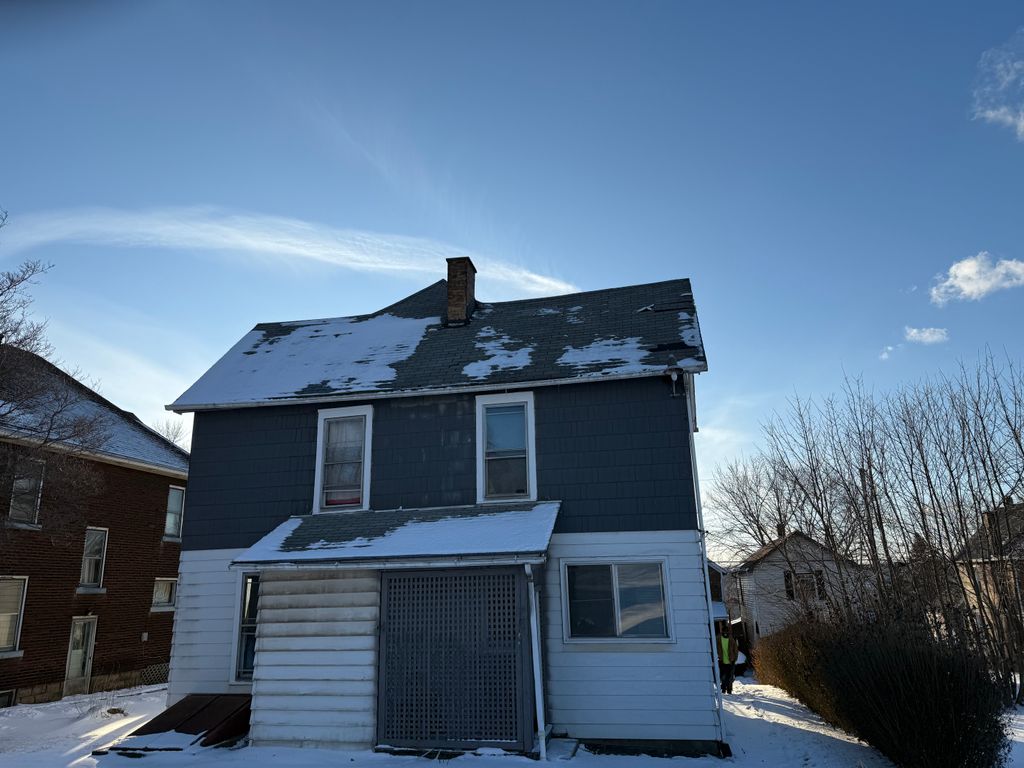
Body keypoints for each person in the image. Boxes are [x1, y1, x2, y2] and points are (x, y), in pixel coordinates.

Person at [716, 622, 738, 694]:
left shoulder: (731, 639)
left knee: (730, 677)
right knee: (723, 676)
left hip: (731, 661)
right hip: (721, 661)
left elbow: (735, 649)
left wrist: (735, 659)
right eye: (724, 631)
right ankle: (723, 688)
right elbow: (715, 648)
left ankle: (729, 690)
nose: (725, 633)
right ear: (722, 632)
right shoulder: (718, 639)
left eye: (727, 631)